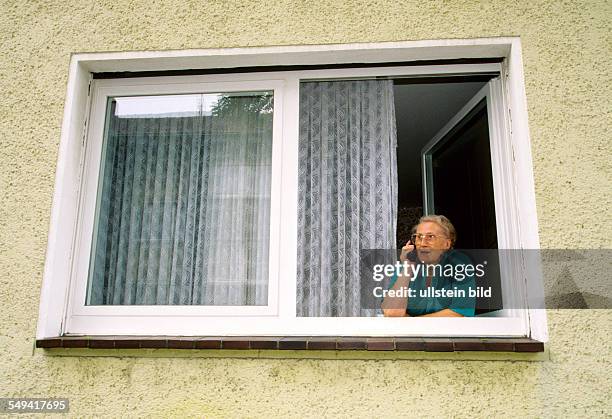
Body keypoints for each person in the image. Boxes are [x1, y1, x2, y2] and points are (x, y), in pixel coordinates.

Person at [382, 215, 476, 317]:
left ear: (447, 244)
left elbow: (459, 314)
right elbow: (392, 313)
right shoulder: (405, 266)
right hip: (409, 332)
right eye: (418, 237)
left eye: (430, 237)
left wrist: (409, 321)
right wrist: (407, 268)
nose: (422, 243)